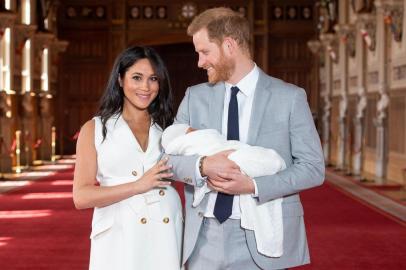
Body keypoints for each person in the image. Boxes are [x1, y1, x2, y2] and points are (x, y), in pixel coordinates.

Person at [166, 7, 325, 270]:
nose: (199, 62)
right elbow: (167, 158)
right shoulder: (195, 96)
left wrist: (253, 186)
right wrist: (203, 166)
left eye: (205, 52)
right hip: (202, 238)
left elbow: (313, 168)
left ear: (229, 45)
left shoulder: (289, 97)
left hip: (263, 236)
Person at [73, 46, 183, 270]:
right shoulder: (94, 128)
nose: (145, 87)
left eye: (153, 78)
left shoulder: (170, 128)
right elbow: (81, 196)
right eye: (137, 77)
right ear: (120, 80)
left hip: (165, 229)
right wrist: (137, 186)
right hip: (119, 234)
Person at [162, 123, 286, 257]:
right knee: (248, 160)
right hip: (203, 230)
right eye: (190, 131)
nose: (196, 130)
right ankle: (270, 161)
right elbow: (166, 161)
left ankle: (270, 161)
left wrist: (254, 186)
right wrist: (203, 165)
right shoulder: (190, 108)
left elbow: (310, 165)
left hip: (250, 230)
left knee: (256, 158)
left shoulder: (290, 101)